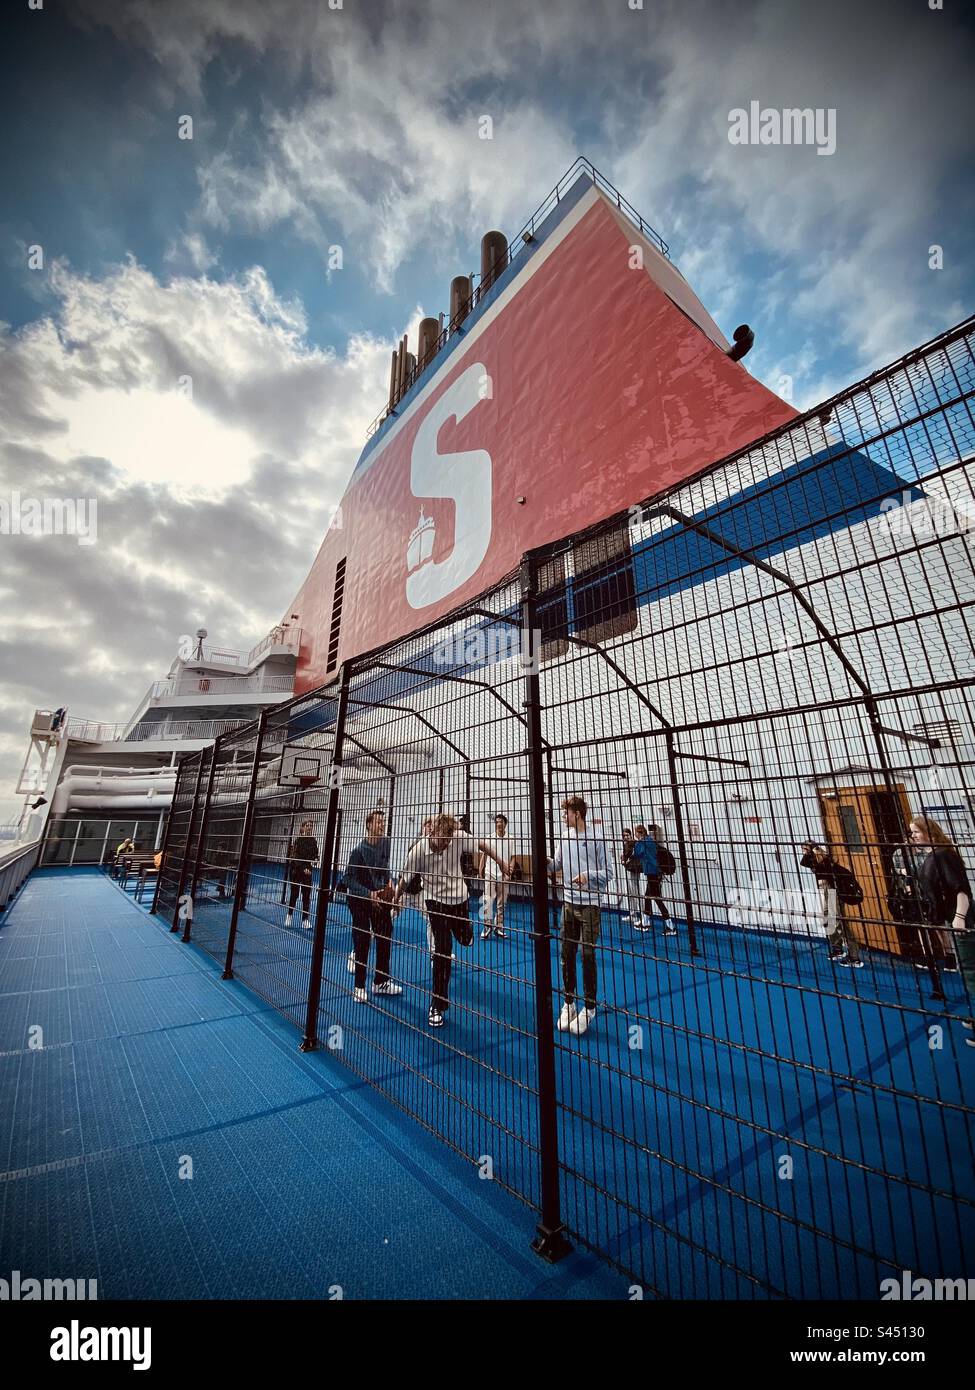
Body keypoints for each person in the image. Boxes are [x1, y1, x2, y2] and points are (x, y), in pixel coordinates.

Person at [392, 813, 509, 1029]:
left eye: (449, 838)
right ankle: (437, 1004)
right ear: (433, 832)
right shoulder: (419, 850)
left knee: (465, 940)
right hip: (435, 902)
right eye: (443, 838)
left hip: (459, 900)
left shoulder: (457, 837)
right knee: (442, 951)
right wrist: (395, 900)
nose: (447, 843)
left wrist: (501, 862)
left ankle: (466, 930)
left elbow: (483, 844)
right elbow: (405, 877)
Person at [549, 795, 610, 1036]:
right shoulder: (565, 836)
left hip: (590, 906)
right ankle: (569, 1003)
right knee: (566, 953)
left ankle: (590, 1008)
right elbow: (556, 864)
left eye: (566, 813)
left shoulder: (597, 836)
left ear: (578, 813)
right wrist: (546, 862)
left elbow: (609, 873)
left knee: (587, 954)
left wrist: (587, 876)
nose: (564, 817)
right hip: (568, 904)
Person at [910, 816, 974, 1044]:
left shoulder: (943, 855)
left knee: (971, 972)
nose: (913, 836)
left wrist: (959, 918)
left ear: (929, 832)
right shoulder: (933, 855)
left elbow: (961, 890)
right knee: (965, 970)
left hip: (963, 922)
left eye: (916, 831)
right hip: (950, 918)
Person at [344, 811, 401, 1003]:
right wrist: (370, 894)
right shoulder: (358, 851)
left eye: (383, 821)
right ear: (368, 825)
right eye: (378, 821)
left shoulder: (385, 842)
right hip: (359, 899)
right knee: (363, 941)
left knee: (385, 936)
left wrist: (391, 887)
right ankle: (359, 986)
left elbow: (384, 869)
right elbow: (347, 879)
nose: (382, 824)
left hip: (379, 899)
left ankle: (381, 982)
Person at [799, 842, 864, 967]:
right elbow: (804, 863)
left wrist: (813, 850)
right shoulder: (814, 861)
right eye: (803, 850)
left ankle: (854, 956)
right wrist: (809, 852)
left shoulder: (825, 861)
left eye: (806, 849)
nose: (804, 852)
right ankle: (837, 948)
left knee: (839, 921)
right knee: (828, 920)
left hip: (835, 892)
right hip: (830, 892)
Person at [479, 813, 519, 939]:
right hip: (489, 873)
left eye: (501, 821)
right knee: (488, 900)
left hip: (503, 875)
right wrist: (480, 870)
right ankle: (487, 927)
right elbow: (484, 856)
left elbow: (513, 858)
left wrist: (510, 872)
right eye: (496, 822)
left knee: (502, 903)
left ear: (505, 824)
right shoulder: (489, 837)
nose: (498, 824)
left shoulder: (511, 839)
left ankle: (499, 927)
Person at [632, 823, 676, 935]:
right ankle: (645, 922)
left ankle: (670, 926)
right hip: (655, 872)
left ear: (639, 833)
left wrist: (636, 844)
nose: (635, 835)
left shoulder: (644, 842)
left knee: (657, 899)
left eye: (636, 833)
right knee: (648, 897)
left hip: (652, 872)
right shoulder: (650, 841)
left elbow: (638, 853)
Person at [285, 819, 319, 930]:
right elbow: (295, 857)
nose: (309, 827)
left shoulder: (313, 841)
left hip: (307, 872)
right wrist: (303, 868)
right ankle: (289, 916)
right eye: (307, 825)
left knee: (306, 896)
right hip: (296, 871)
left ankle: (305, 920)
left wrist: (315, 860)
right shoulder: (298, 841)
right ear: (303, 827)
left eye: (311, 825)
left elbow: (315, 854)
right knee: (294, 894)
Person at [620, 829, 645, 928]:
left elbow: (632, 855)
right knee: (631, 892)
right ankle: (633, 914)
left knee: (636, 892)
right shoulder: (627, 844)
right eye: (624, 835)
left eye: (627, 835)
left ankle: (644, 916)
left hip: (634, 869)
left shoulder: (633, 843)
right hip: (630, 868)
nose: (625, 837)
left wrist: (625, 859)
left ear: (630, 835)